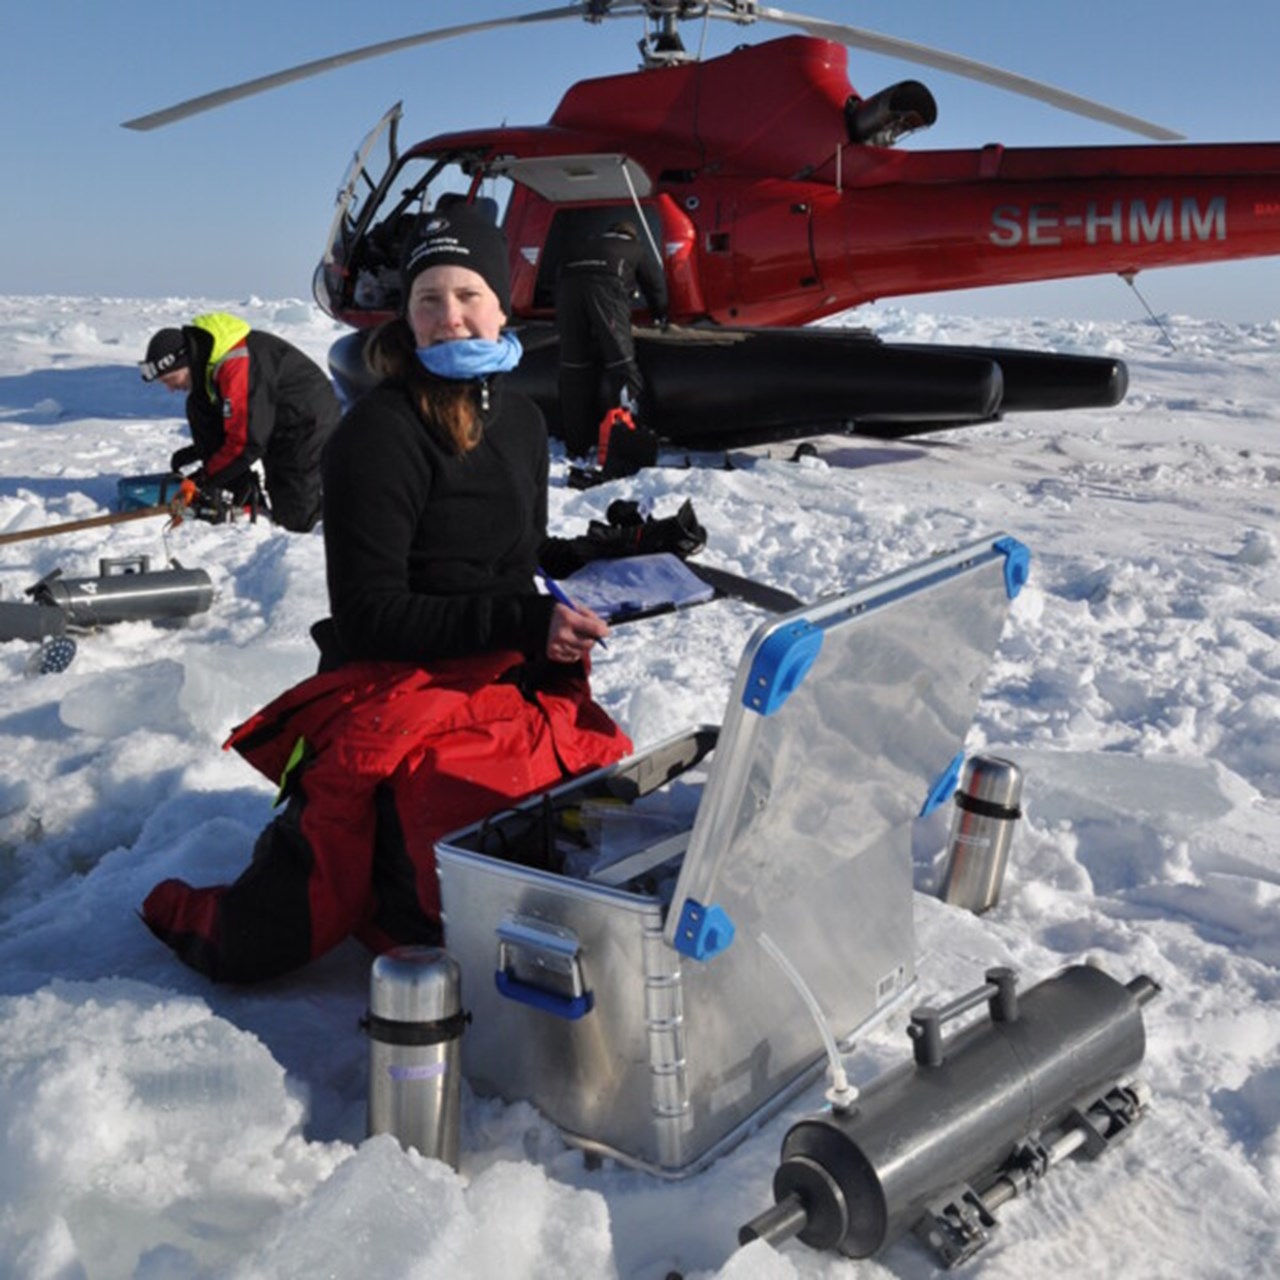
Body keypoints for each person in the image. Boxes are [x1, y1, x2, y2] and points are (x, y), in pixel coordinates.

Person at [140, 204, 633, 983]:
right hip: (398, 674)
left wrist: (613, 557)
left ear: (503, 303)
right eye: (428, 299)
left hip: (499, 661)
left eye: (468, 294)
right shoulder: (379, 432)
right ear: (404, 315)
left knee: (599, 786)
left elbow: (509, 560)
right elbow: (372, 615)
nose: (450, 318)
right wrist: (522, 617)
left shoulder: (523, 423)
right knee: (316, 912)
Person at [139, 314, 340, 532]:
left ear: (184, 362)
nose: (170, 389)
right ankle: (238, 495)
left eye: (170, 380)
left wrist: (204, 478)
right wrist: (200, 453)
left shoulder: (235, 365)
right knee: (198, 405)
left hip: (303, 423)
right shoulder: (207, 362)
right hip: (268, 419)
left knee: (295, 518)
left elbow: (246, 443)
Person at [555, 220, 669, 458]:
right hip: (605, 288)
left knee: (574, 368)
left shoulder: (588, 243)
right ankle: (630, 438)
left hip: (567, 289)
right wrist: (660, 315)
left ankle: (576, 446)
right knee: (622, 364)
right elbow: (655, 285)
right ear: (631, 236)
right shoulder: (635, 249)